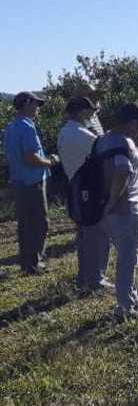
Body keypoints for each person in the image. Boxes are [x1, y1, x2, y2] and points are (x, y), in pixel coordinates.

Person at [97, 102, 138, 322]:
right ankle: (125, 307)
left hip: (111, 212)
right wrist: (113, 201)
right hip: (126, 210)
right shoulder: (122, 143)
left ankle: (131, 296)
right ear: (131, 123)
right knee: (128, 258)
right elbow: (121, 172)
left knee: (127, 256)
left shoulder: (103, 140)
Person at [58, 97, 113, 291]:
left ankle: (84, 278)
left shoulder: (66, 131)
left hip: (76, 188)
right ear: (82, 112)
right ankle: (95, 279)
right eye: (91, 111)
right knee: (97, 235)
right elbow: (105, 149)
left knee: (84, 237)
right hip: (88, 190)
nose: (93, 115)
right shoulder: (80, 133)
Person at [4, 92, 60, 275]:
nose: (38, 108)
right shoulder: (27, 127)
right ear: (27, 103)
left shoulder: (11, 127)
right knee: (39, 223)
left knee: (25, 224)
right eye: (36, 104)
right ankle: (34, 263)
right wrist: (50, 161)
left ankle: (27, 262)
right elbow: (31, 157)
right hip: (32, 181)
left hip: (19, 180)